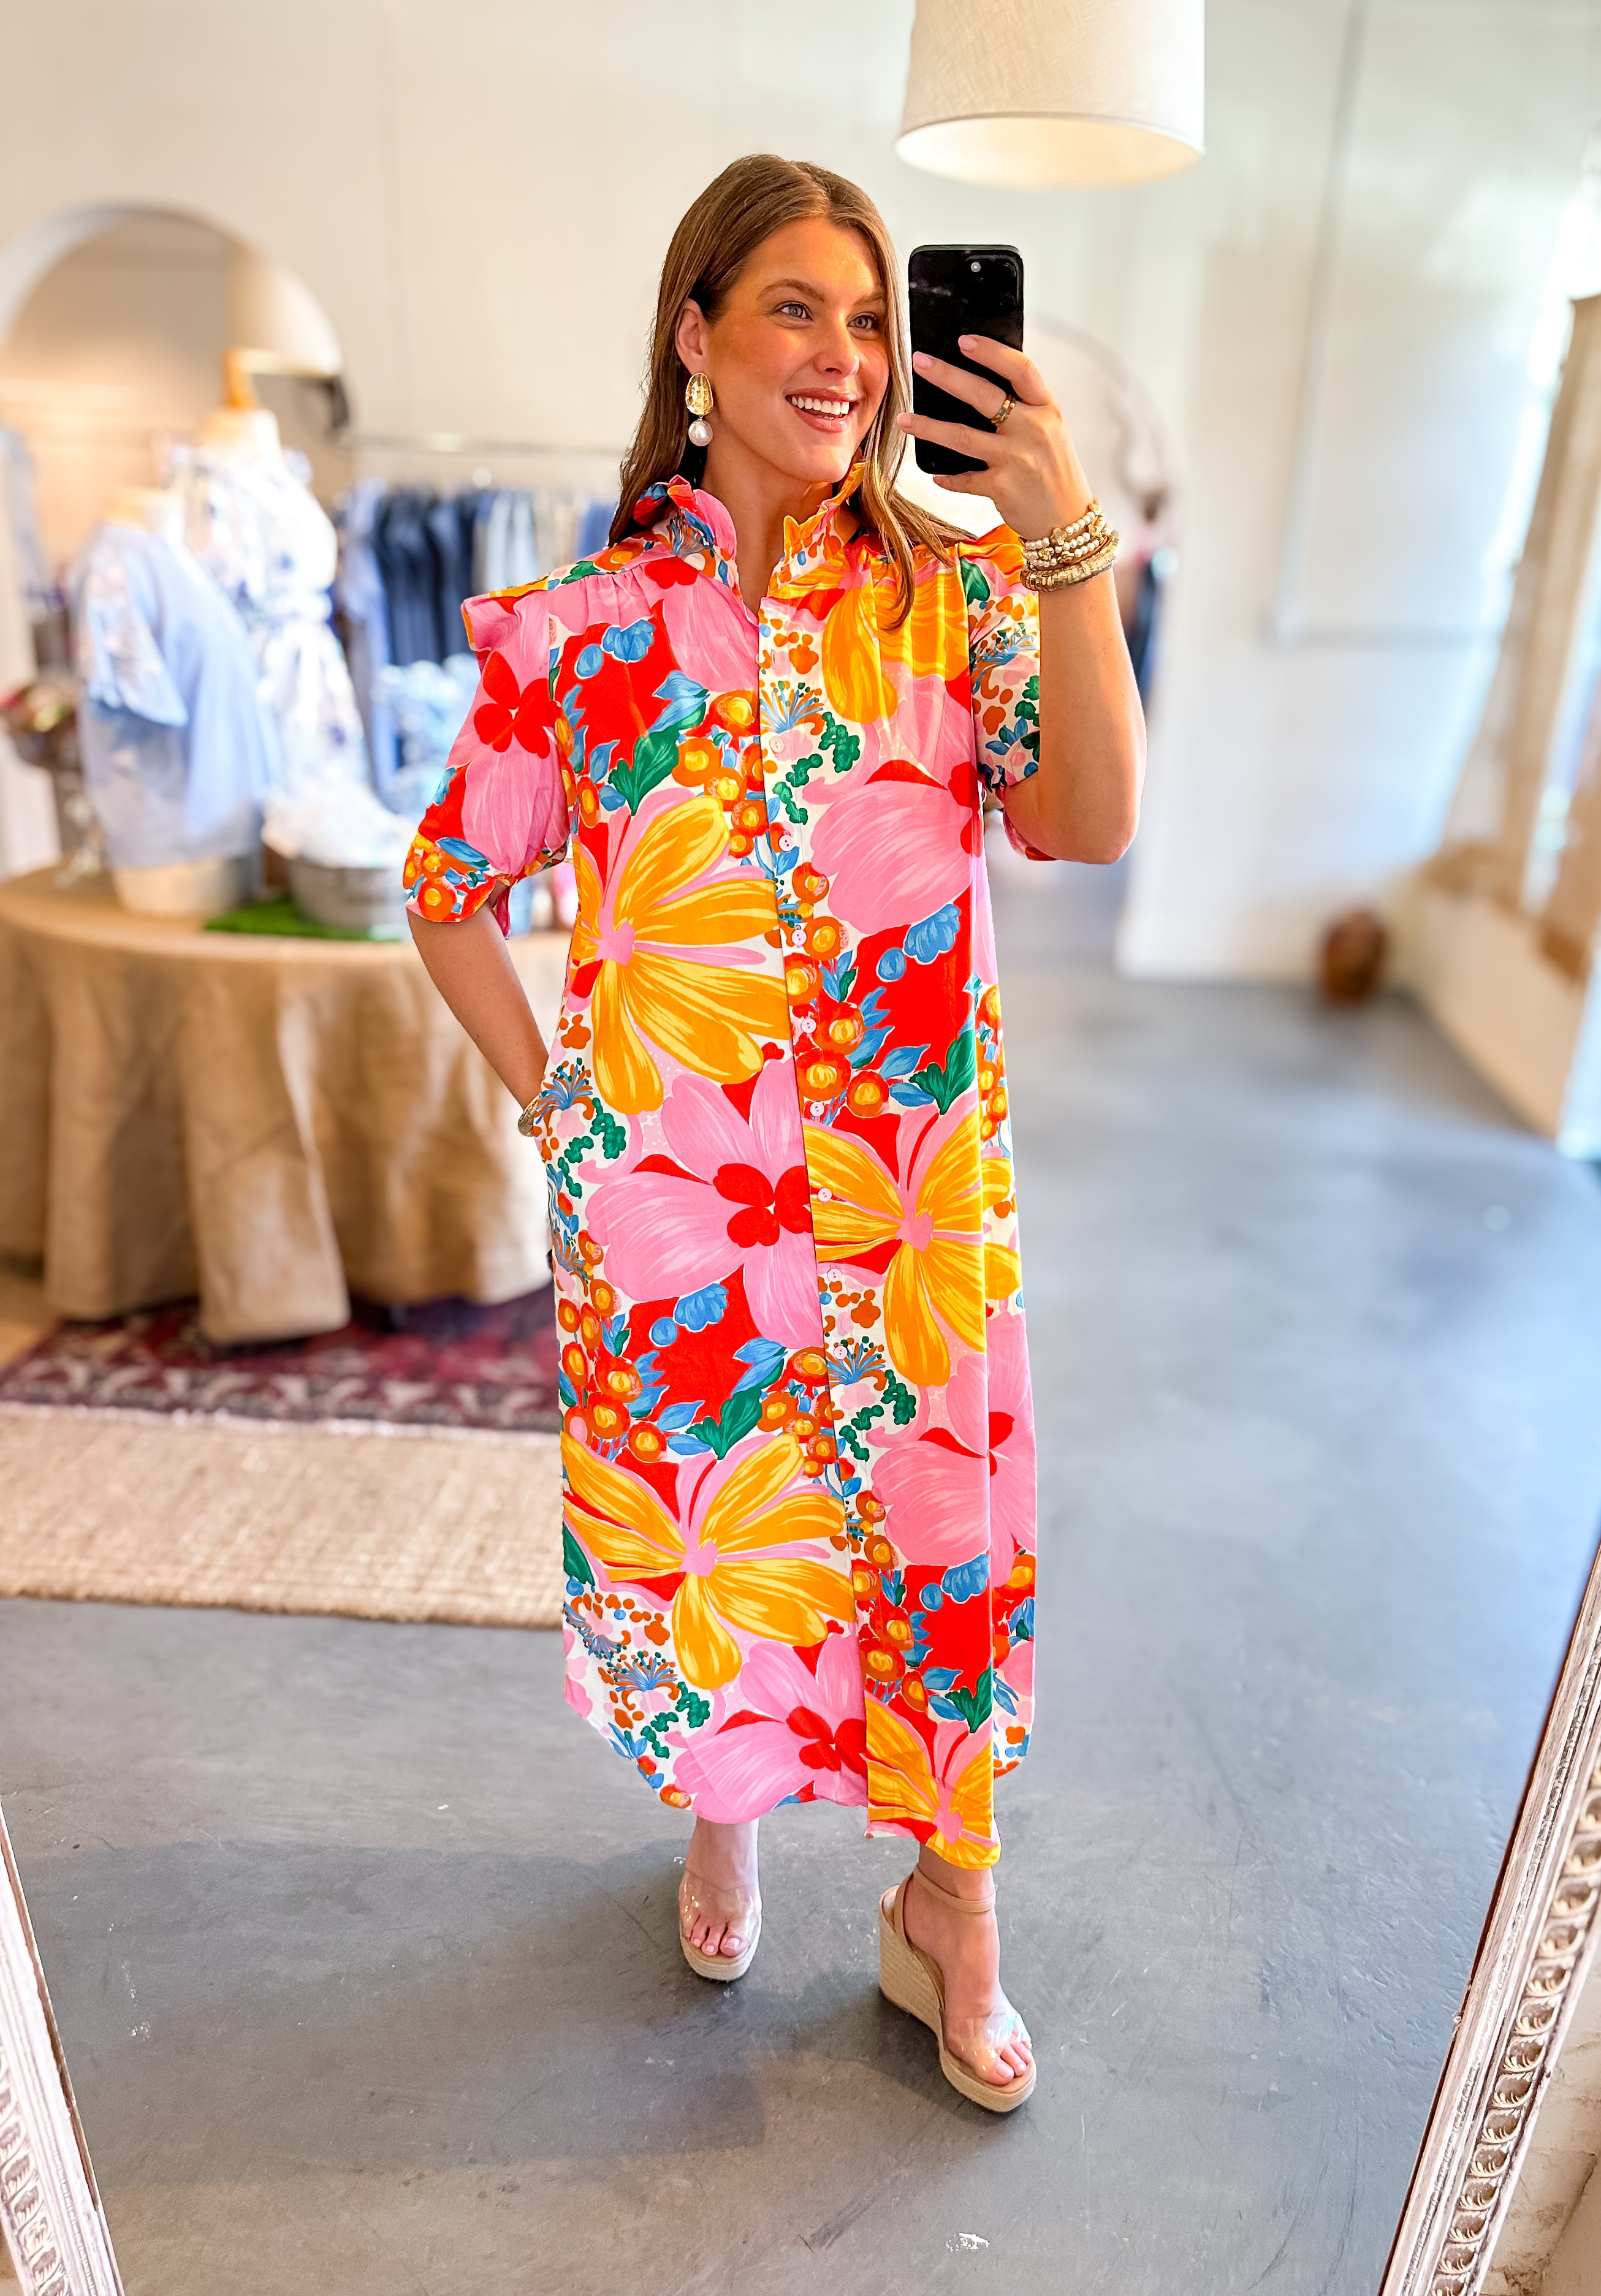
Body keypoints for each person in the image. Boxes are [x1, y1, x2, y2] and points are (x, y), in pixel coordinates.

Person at [405, 154, 1142, 2113]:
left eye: (873, 318)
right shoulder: (577, 631)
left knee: (943, 1545)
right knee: (719, 1547)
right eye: (796, 308)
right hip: (679, 1217)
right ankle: (721, 1817)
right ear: (697, 334)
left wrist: (1062, 532)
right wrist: (560, 1101)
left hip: (915, 1207)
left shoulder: (952, 596)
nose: (846, 355)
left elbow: (1087, 820)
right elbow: (450, 889)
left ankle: (951, 1912)